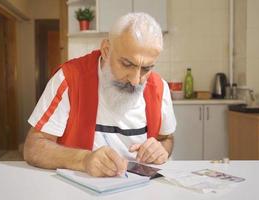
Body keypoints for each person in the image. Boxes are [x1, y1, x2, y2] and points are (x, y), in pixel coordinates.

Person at [24, 12, 176, 177]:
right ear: (106, 50)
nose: (135, 80)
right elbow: (33, 147)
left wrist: (161, 150)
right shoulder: (69, 78)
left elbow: (166, 139)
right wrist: (84, 160)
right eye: (127, 64)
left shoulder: (159, 88)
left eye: (146, 68)